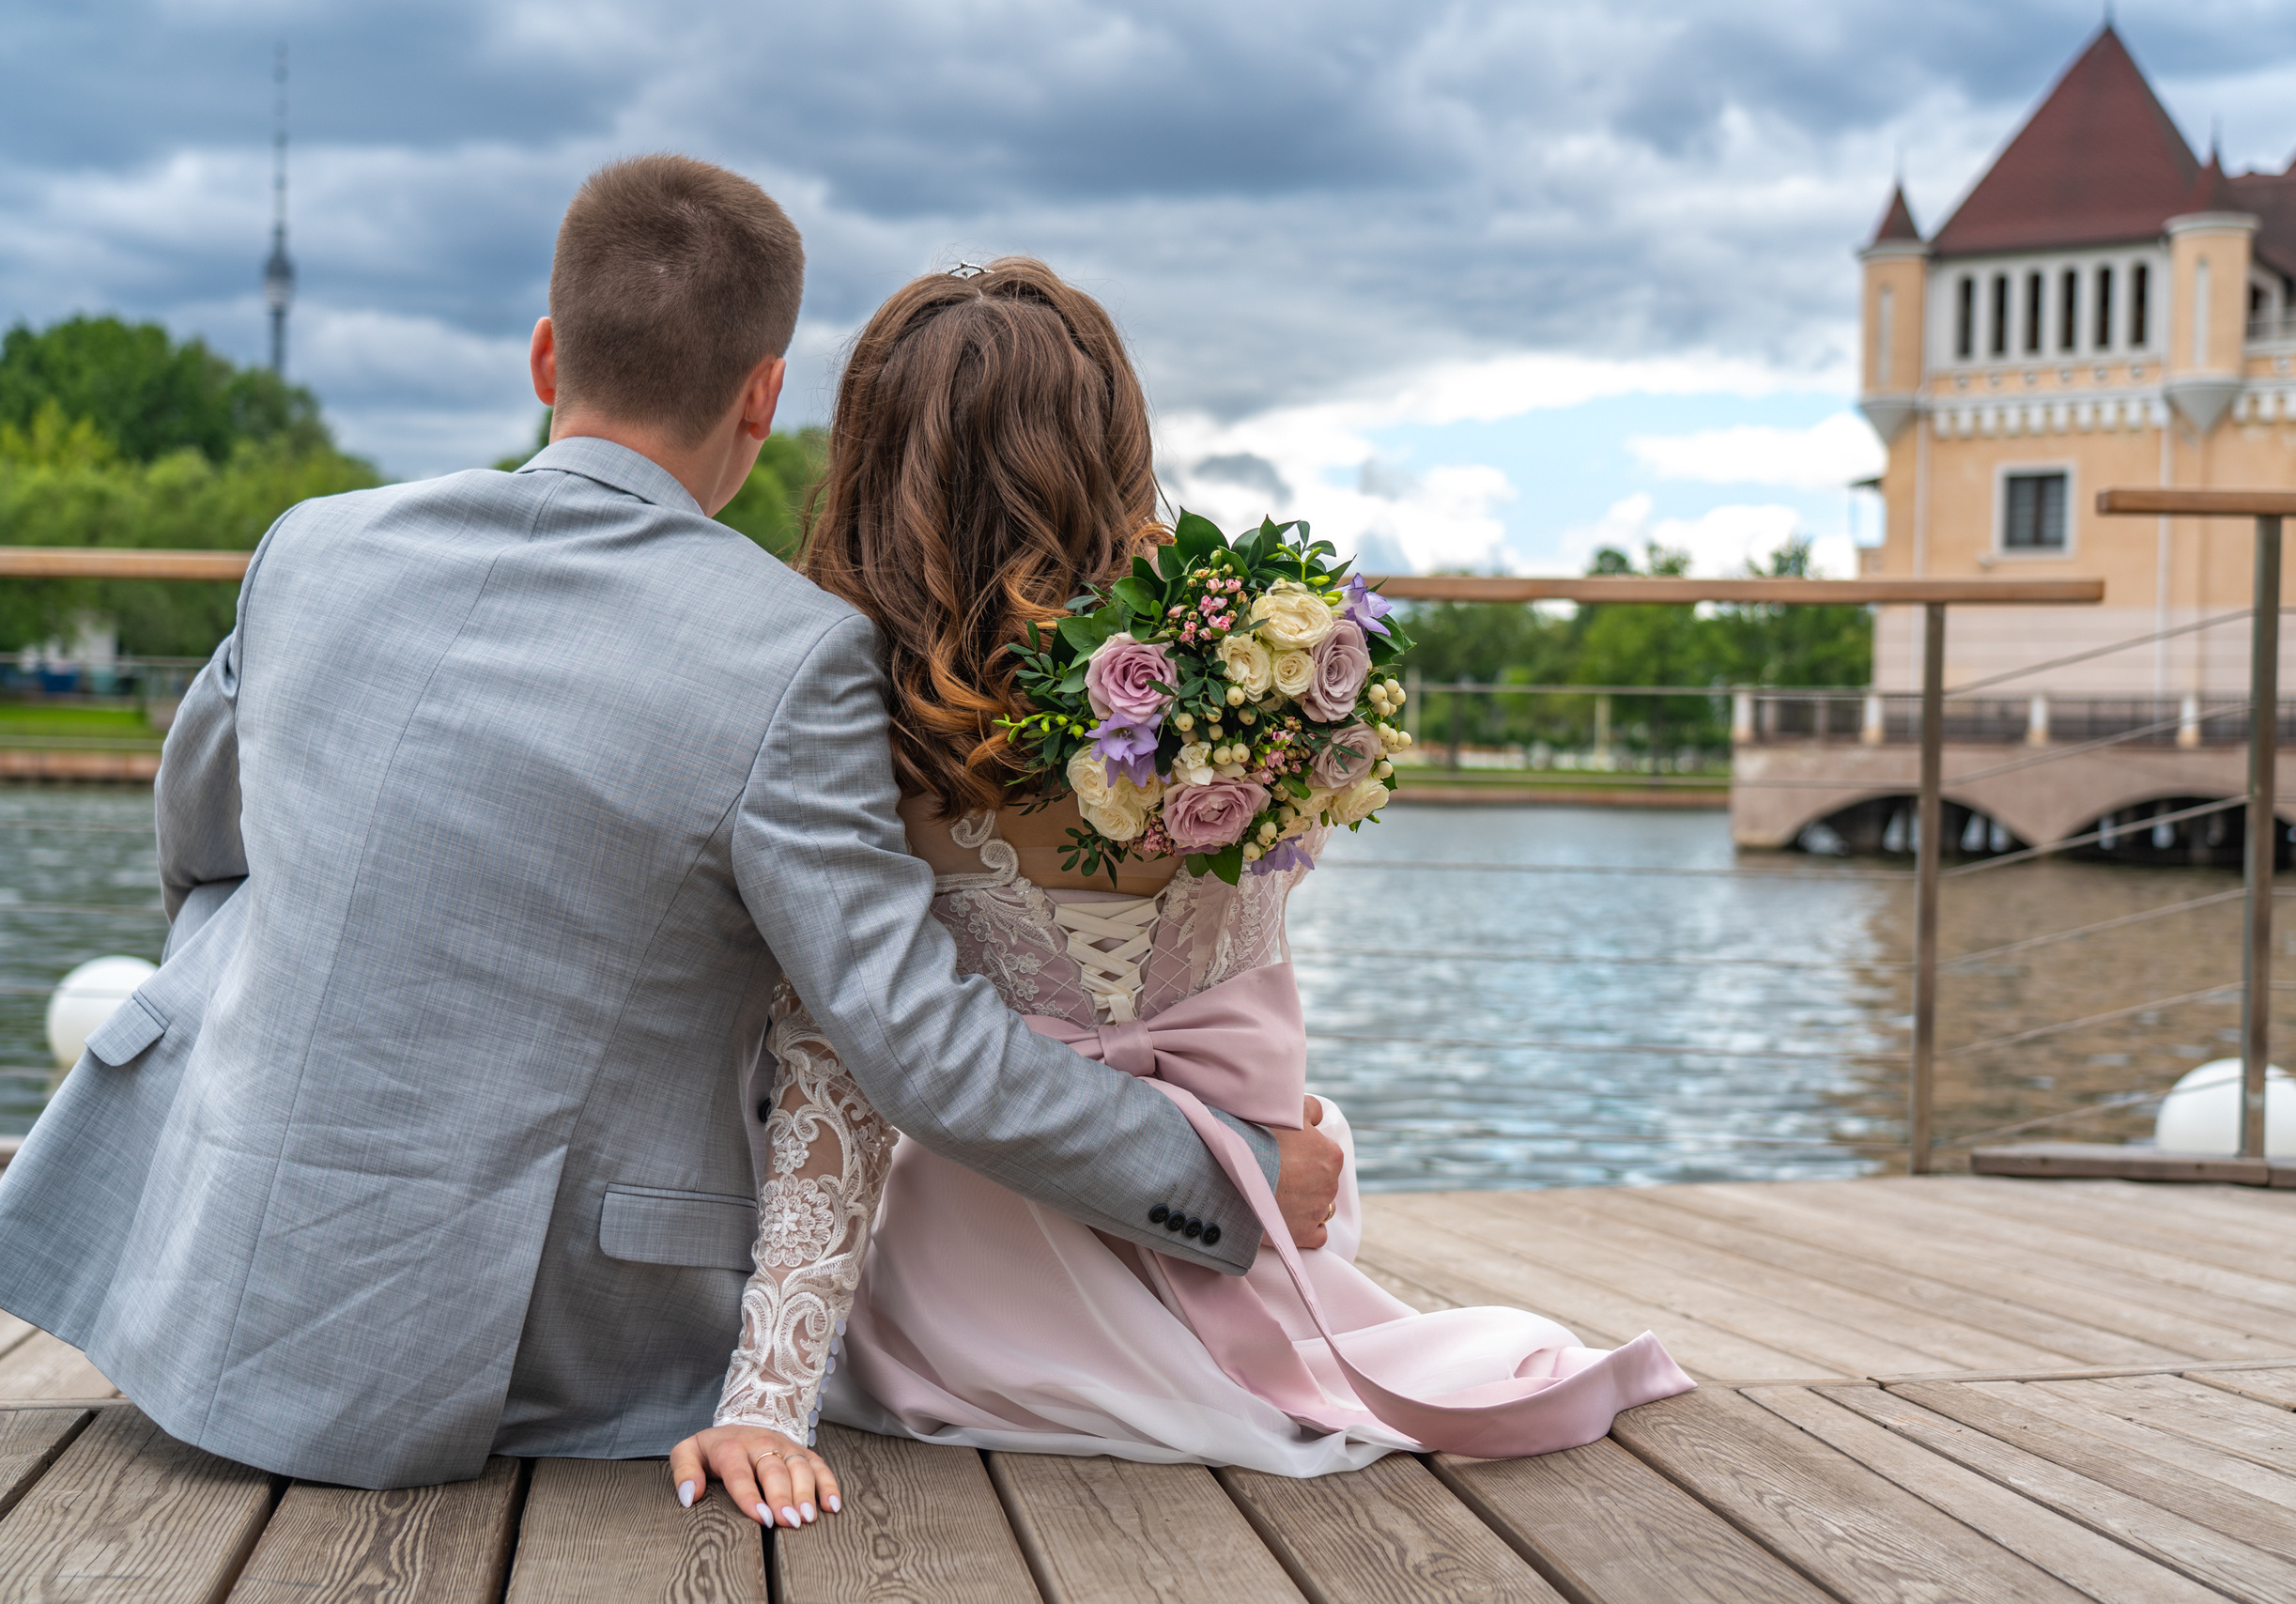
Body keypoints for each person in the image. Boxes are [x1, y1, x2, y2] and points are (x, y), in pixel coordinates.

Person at [0, 159, 1340, 1514]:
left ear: (546, 356)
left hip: (175, 1262)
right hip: (516, 1354)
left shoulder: (309, 549)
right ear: (764, 396)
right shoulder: (792, 656)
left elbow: (204, 854)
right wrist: (1225, 1174)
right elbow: (918, 1046)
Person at [672, 260, 1692, 1487]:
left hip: (973, 1317)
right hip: (1254, 1242)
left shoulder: (859, 736)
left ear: (877, 467)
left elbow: (836, 1073)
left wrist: (770, 1398)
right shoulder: (1254, 684)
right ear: (1117, 442)